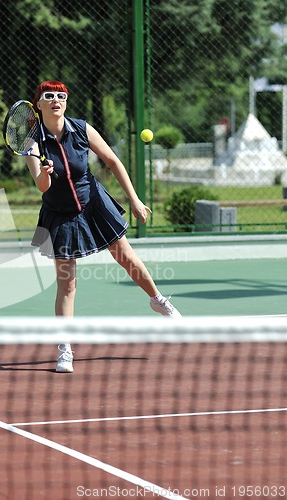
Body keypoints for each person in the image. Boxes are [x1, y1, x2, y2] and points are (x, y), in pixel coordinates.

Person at [24, 80, 182, 374]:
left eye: (61, 96)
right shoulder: (33, 142)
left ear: (66, 103)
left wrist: (134, 199)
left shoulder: (81, 129)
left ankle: (158, 301)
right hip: (60, 214)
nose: (56, 100)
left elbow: (112, 161)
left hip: (94, 202)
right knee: (67, 284)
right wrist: (45, 173)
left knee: (126, 257)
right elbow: (42, 187)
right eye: (49, 96)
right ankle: (65, 350)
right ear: (39, 104)